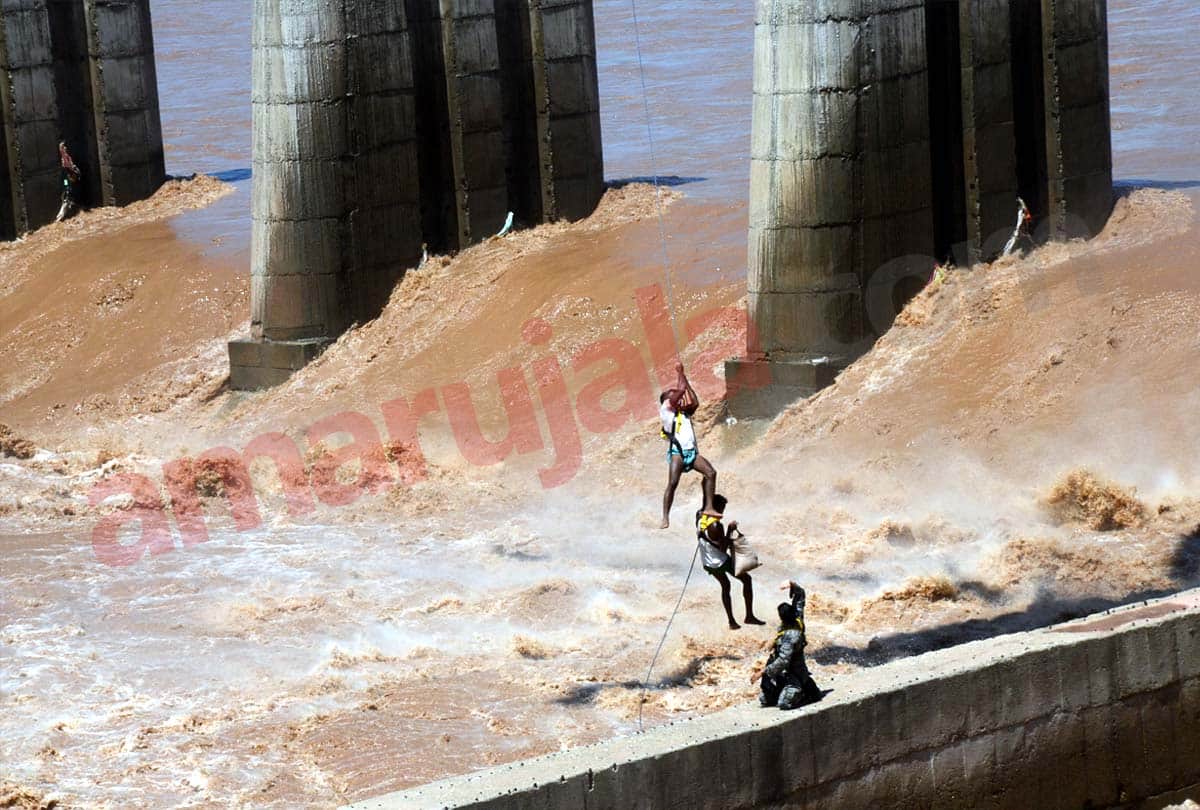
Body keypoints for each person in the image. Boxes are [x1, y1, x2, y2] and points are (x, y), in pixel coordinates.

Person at [660, 362, 717, 528]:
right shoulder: (666, 411)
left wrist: (684, 377)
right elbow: (681, 391)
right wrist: (680, 373)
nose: (675, 396)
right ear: (666, 401)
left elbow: (694, 400)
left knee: (711, 473)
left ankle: (709, 507)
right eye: (671, 395)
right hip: (677, 454)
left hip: (691, 453)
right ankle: (665, 517)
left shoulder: (684, 413)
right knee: (673, 483)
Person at [696, 494, 764, 630]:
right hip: (720, 560)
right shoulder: (716, 525)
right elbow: (723, 548)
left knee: (725, 586)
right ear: (717, 507)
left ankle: (732, 622)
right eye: (722, 507)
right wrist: (730, 530)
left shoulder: (699, 516)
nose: (723, 511)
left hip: (707, 562)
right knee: (747, 579)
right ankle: (749, 616)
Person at [759, 580, 822, 710]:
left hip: (793, 673)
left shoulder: (789, 638)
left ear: (782, 618)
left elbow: (783, 660)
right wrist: (792, 584)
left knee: (784, 704)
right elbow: (800, 596)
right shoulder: (797, 618)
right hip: (782, 674)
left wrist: (763, 672)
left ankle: (804, 690)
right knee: (765, 700)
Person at [56, 141, 81, 222]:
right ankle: (61, 215)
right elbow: (66, 181)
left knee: (68, 196)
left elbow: (67, 162)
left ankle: (62, 215)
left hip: (71, 176)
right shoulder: (66, 172)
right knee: (67, 193)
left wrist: (62, 150)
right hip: (69, 179)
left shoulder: (67, 160)